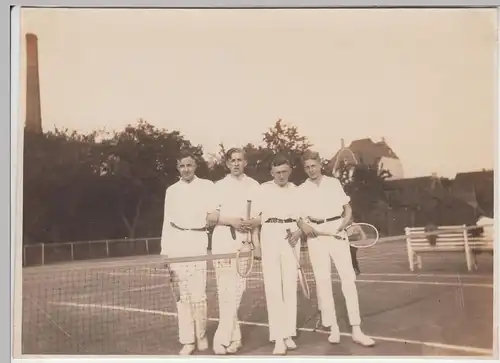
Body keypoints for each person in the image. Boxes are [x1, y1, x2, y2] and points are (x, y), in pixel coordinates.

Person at [296, 150, 375, 347]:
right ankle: (333, 328)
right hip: (315, 235)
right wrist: (303, 225)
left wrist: (344, 224)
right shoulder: (301, 189)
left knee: (348, 279)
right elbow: (297, 217)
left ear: (320, 165)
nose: (311, 170)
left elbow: (347, 209)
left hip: (337, 230)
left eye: (313, 165)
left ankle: (356, 328)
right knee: (323, 282)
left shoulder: (333, 183)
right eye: (307, 167)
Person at [246, 154, 303, 355]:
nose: (281, 176)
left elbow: (301, 218)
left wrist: (299, 232)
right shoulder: (262, 190)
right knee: (273, 288)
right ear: (271, 173)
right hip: (269, 234)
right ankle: (278, 337)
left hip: (292, 237)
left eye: (284, 172)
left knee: (289, 286)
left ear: (290, 171)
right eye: (277, 172)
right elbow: (255, 221)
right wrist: (257, 246)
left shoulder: (296, 190)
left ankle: (288, 334)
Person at [206, 147, 261, 355]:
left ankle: (228, 338)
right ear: (227, 164)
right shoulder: (218, 186)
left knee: (238, 290)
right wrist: (232, 221)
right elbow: (211, 216)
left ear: (245, 162)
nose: (236, 163)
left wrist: (256, 243)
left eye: (240, 160)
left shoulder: (254, 186)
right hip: (222, 240)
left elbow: (258, 219)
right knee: (225, 292)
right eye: (232, 160)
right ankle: (227, 339)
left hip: (245, 242)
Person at [160, 151, 215, 355]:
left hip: (197, 241)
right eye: (182, 166)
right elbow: (167, 220)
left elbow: (213, 211)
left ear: (195, 166)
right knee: (182, 297)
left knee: (198, 295)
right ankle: (188, 340)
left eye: (189, 165)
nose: (186, 169)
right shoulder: (171, 190)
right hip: (176, 243)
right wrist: (165, 250)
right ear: (178, 168)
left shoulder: (207, 186)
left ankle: (201, 335)